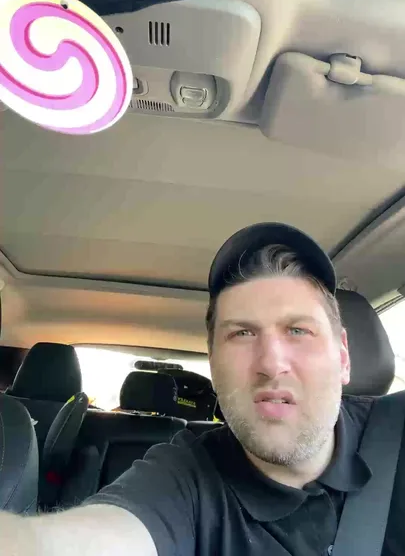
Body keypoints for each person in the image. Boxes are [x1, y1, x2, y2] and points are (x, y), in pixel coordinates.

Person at [1, 222, 404, 555]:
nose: (270, 362)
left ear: (343, 356)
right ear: (213, 364)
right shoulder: (183, 476)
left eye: (298, 330)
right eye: (242, 333)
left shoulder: (396, 432)